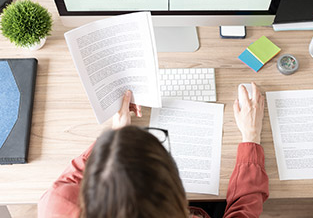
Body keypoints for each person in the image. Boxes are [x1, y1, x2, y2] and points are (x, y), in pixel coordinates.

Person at [38, 82, 268, 218]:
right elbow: (244, 209)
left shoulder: (60, 205)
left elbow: (70, 179)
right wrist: (251, 136)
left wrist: (117, 136)